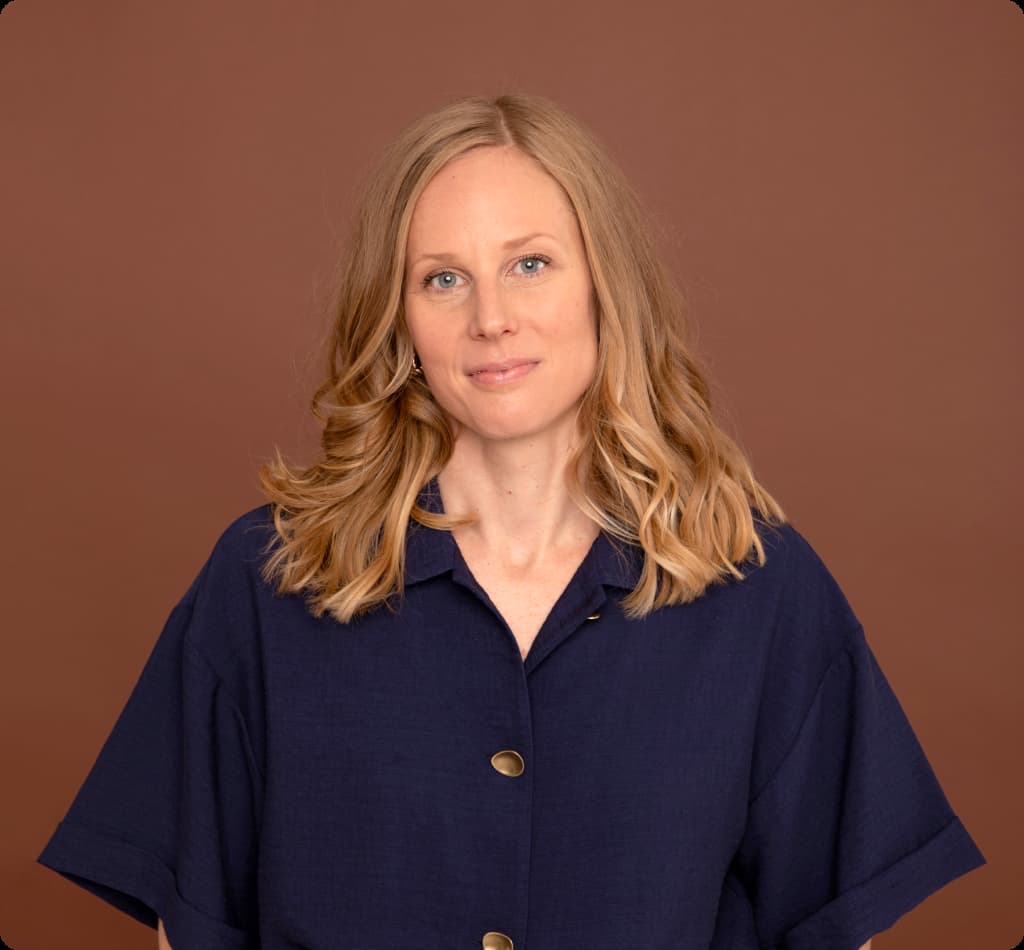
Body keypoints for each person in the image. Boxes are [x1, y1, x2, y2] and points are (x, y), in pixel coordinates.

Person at [39, 94, 984, 950]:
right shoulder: (269, 582)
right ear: (398, 317)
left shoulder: (759, 587)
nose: (492, 317)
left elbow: (832, 927)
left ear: (603, 285)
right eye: (443, 280)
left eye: (529, 264)